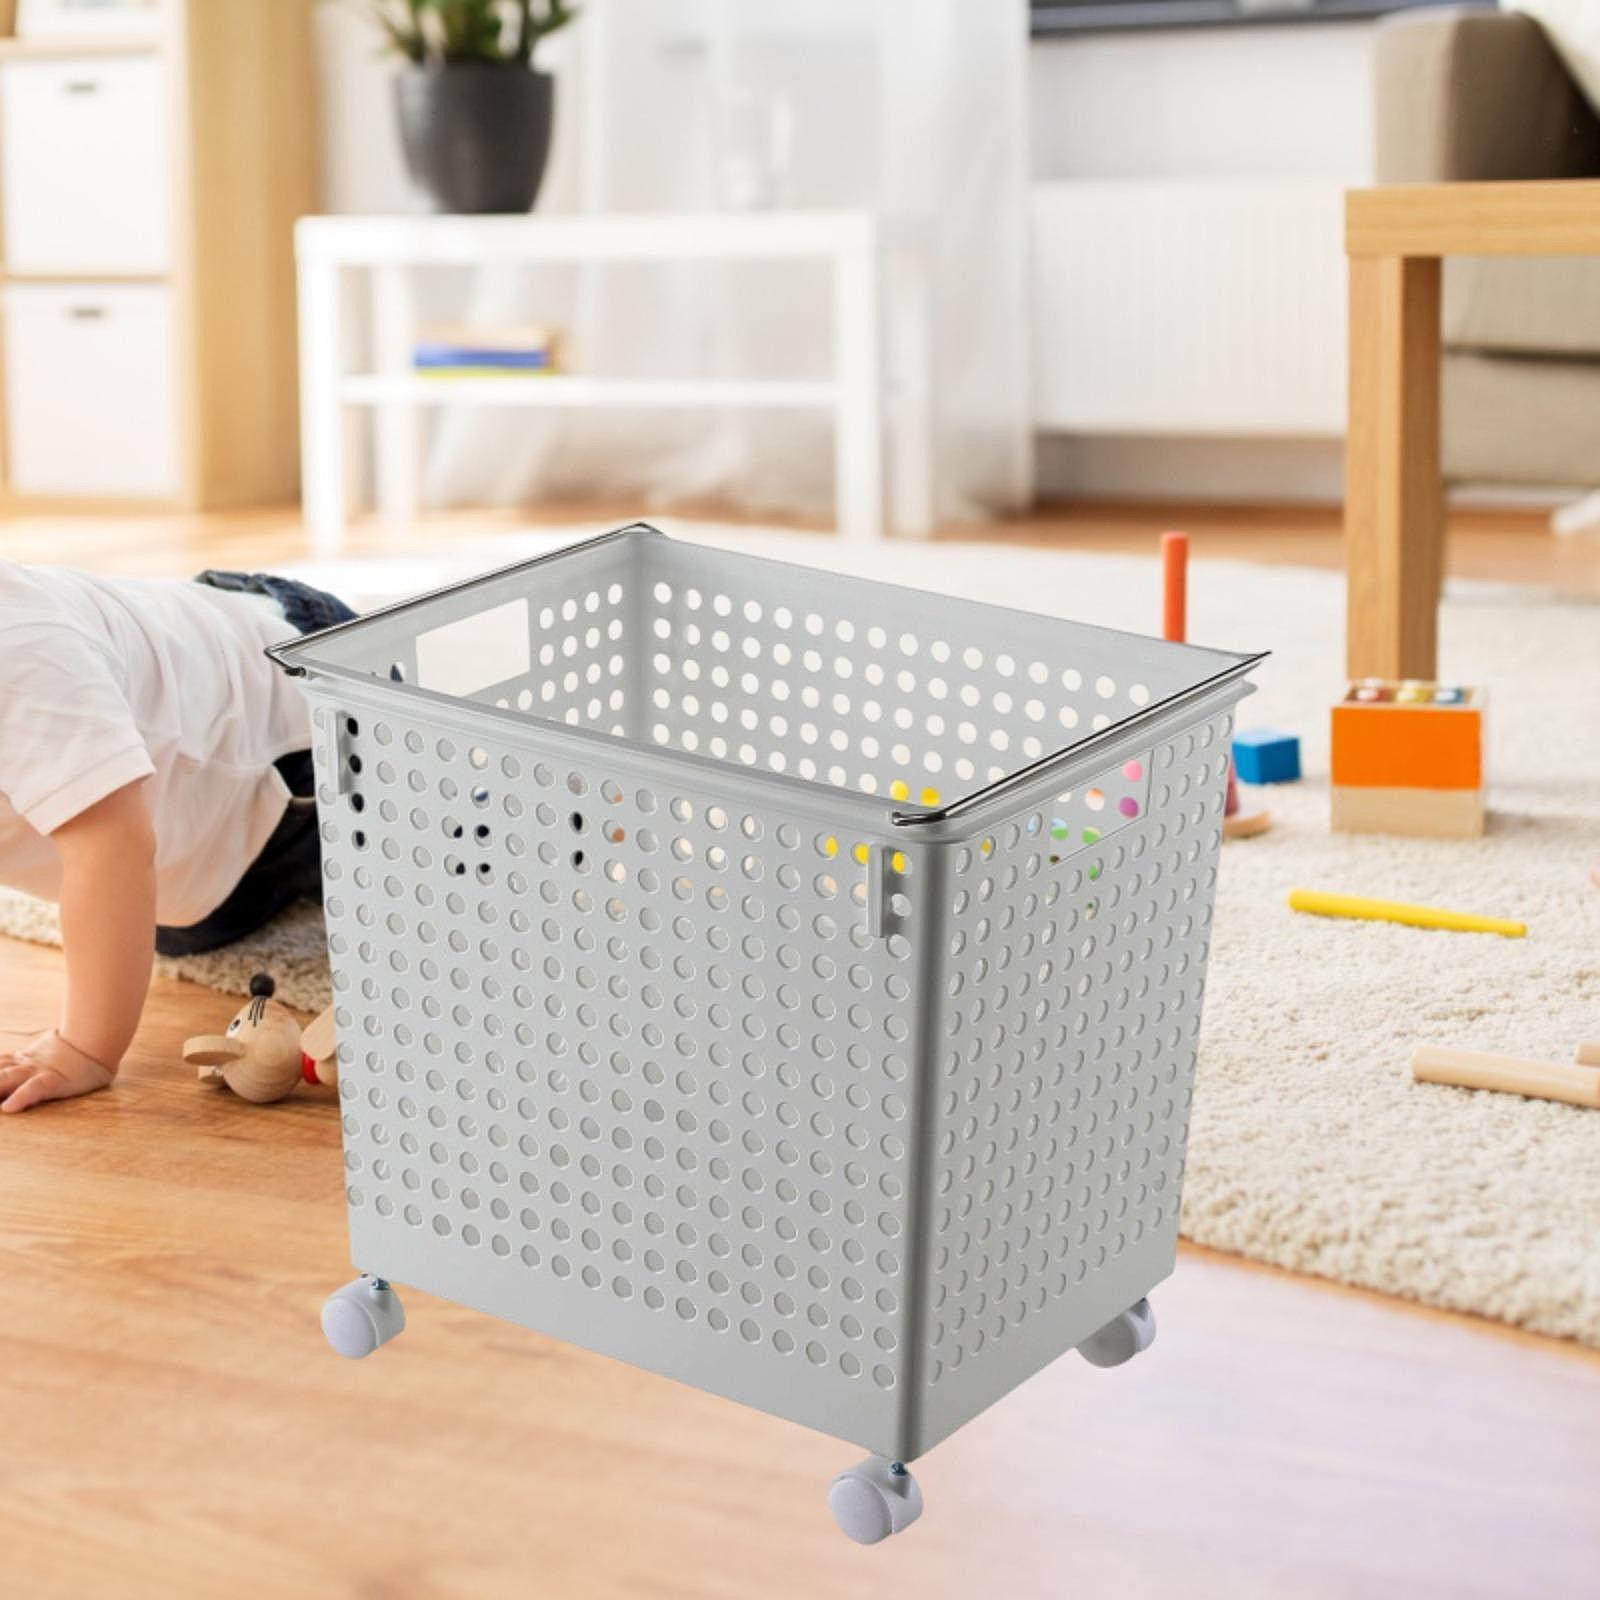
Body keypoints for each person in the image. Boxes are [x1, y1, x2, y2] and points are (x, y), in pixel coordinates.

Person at [0, 565, 353, 1113]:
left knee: (451, 882)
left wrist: (84, 1047)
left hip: (309, 715)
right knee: (173, 923)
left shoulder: (19, 652)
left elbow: (112, 850)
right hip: (198, 820)